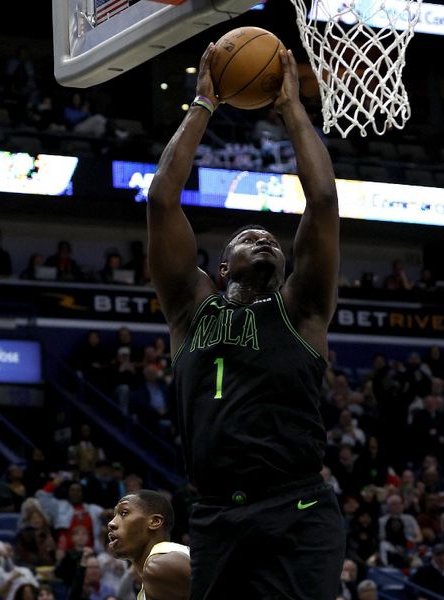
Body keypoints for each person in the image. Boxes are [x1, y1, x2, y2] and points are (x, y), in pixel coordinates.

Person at [146, 43, 344, 599]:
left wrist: (290, 108)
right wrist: (203, 104)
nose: (264, 236)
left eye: (273, 242)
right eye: (247, 237)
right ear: (220, 266)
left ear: (285, 270)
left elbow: (323, 201)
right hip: (214, 516)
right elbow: (163, 201)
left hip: (297, 510)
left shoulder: (301, 310)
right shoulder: (191, 309)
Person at [106, 490, 189, 600]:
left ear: (154, 521)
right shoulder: (165, 561)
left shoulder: (161, 565)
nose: (111, 523)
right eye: (114, 515)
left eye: (124, 513)